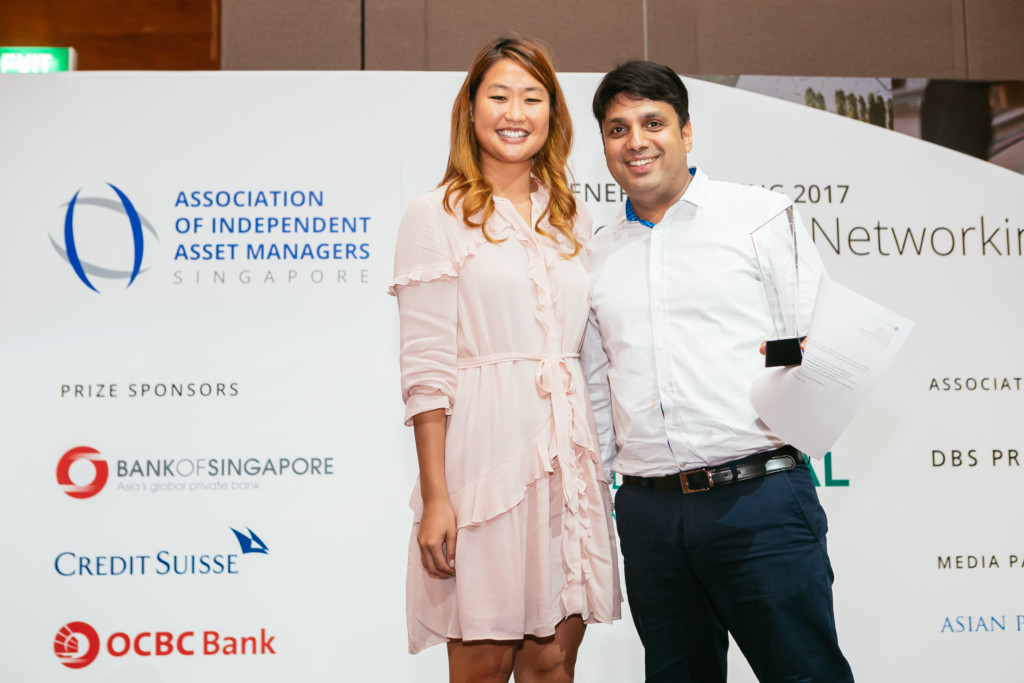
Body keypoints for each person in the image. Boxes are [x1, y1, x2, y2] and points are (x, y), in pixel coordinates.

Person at [582, 60, 855, 682]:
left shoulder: (758, 215)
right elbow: (597, 388)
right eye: (618, 129)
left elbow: (817, 338)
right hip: (649, 514)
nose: (636, 141)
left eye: (653, 123)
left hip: (761, 500)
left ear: (686, 132)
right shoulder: (596, 253)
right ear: (604, 145)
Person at [389, 37, 621, 682]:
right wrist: (437, 497)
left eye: (532, 97)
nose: (515, 112)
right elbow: (426, 369)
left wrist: (604, 470)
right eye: (499, 96)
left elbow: (592, 357)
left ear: (552, 114)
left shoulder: (573, 217)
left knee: (554, 663)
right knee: (483, 665)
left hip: (568, 462)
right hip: (482, 462)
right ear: (471, 110)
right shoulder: (434, 215)